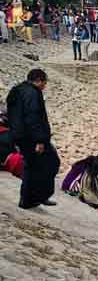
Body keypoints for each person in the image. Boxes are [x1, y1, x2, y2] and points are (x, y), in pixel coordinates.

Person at [5, 69, 61, 209]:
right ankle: (33, 198)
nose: (44, 86)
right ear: (39, 80)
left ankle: (32, 197)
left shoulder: (17, 90)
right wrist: (40, 140)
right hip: (31, 137)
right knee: (50, 163)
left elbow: (12, 113)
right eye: (44, 83)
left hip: (19, 135)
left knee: (33, 166)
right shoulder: (32, 93)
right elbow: (33, 118)